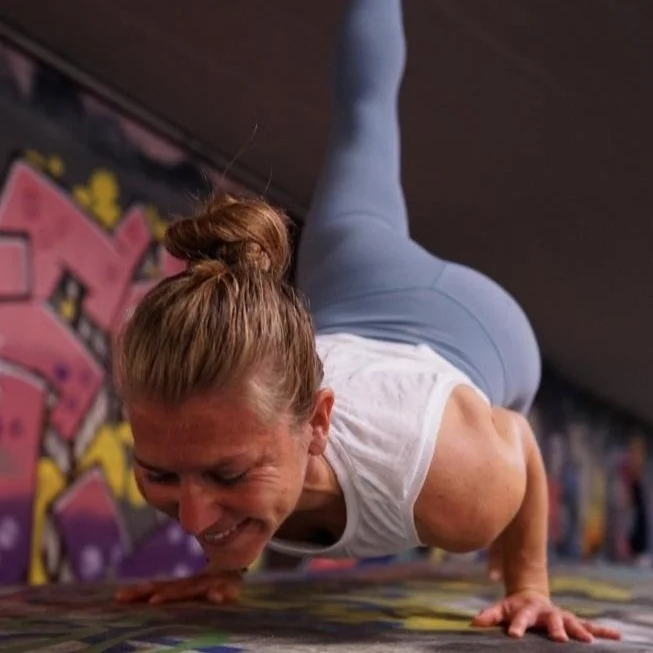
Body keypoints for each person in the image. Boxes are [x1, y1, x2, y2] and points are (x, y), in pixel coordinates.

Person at [113, 0, 620, 644]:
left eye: (229, 474)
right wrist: (224, 569)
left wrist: (530, 584)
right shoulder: (234, 439)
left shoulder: (447, 483)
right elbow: (227, 469)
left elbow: (518, 436)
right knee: (363, 126)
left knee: (364, 117)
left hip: (466, 325)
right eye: (158, 474)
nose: (189, 517)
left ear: (317, 422)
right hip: (348, 297)